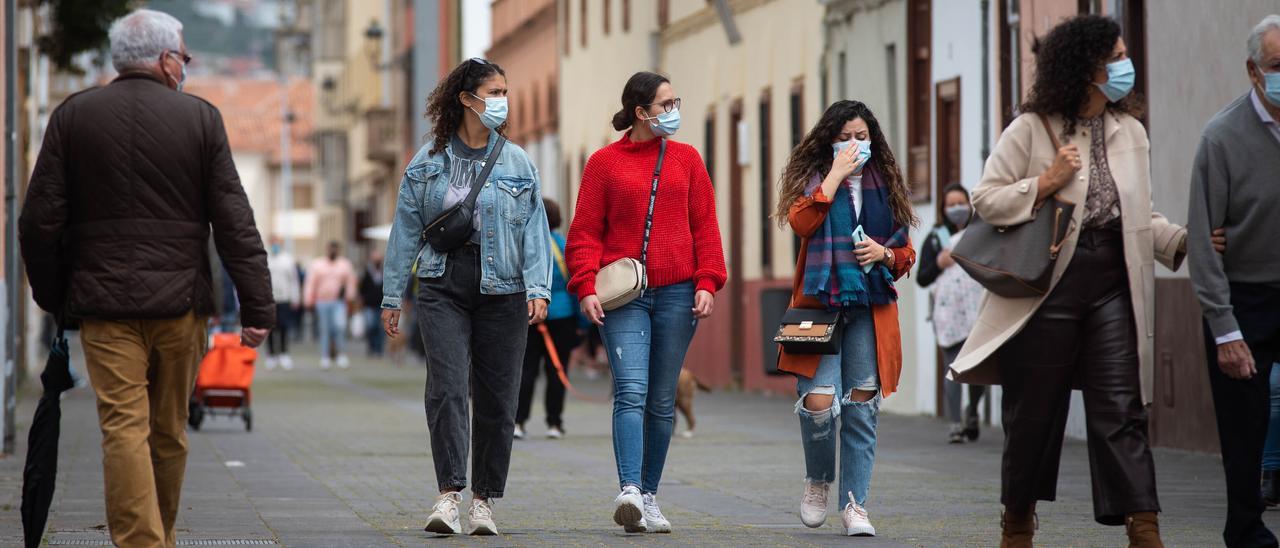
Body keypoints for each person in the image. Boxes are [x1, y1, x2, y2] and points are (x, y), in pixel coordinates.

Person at [18, 9, 274, 547]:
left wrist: (55, 296)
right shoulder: (200, 119)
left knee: (122, 430)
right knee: (168, 431)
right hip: (181, 306)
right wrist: (258, 307)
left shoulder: (73, 116)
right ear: (164, 60)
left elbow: (39, 222)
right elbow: (234, 221)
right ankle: (157, 538)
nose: (186, 65)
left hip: (104, 307)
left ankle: (144, 541)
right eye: (184, 55)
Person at [947, 15, 1187, 547]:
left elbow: (1139, 216)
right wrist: (1044, 182)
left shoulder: (1132, 132)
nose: (1125, 66)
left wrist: (1181, 243)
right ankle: (1017, 521)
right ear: (1086, 67)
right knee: (1034, 408)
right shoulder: (1032, 128)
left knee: (1120, 407)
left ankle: (1143, 527)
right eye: (1115, 57)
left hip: (1113, 281)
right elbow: (985, 199)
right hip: (1049, 282)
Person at [380, 57, 551, 536]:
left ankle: (484, 502)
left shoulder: (517, 160)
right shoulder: (428, 161)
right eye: (493, 92)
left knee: (499, 398)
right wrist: (393, 295)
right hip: (441, 283)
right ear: (466, 99)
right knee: (447, 389)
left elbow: (535, 231)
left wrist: (539, 288)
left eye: (503, 92)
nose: (502, 101)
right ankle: (449, 496)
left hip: (505, 288)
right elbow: (406, 231)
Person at [566, 71, 726, 534]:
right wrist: (585, 285)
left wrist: (707, 281)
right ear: (641, 112)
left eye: (677, 101)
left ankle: (650, 496)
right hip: (625, 296)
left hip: (679, 292)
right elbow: (584, 232)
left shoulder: (687, 160)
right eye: (666, 104)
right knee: (631, 391)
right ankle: (630, 490)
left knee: (661, 399)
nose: (674, 111)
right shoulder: (603, 164)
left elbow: (706, 227)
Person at [774, 100, 917, 537]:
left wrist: (885, 254)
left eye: (861, 137)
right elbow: (800, 223)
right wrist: (835, 176)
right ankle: (818, 480)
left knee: (861, 406)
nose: (855, 145)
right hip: (818, 306)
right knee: (818, 402)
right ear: (829, 141)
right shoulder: (814, 180)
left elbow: (905, 251)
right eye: (845, 138)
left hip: (870, 309)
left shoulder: (886, 183)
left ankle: (855, 503)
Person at [1188, 14, 1280, 548]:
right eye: (1276, 66)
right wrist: (1225, 331)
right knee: (1244, 429)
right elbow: (1203, 241)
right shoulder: (1221, 139)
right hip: (1243, 296)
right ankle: (1245, 529)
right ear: (1252, 71)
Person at [916, 183, 986, 444]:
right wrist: (938, 263)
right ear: (943, 209)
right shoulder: (937, 237)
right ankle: (955, 423)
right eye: (951, 204)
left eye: (961, 203)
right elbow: (922, 277)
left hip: (977, 309)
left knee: (979, 368)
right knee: (952, 367)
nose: (957, 209)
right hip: (948, 313)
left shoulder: (979, 233)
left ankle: (972, 411)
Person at [515, 198, 579, 440]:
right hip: (562, 316)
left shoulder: (524, 244)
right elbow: (574, 286)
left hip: (529, 314)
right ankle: (554, 423)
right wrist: (581, 326)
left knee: (526, 370)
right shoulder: (563, 246)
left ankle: (519, 422)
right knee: (557, 370)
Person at [304, 241, 358, 369]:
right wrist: (308, 300)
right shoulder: (318, 264)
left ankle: (340, 354)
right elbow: (310, 283)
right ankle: (325, 356)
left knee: (339, 327)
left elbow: (351, 282)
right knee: (324, 329)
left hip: (338, 302)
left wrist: (350, 298)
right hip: (322, 301)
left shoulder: (344, 264)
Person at [266, 236, 301, 370]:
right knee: (270, 328)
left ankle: (284, 353)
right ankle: (271, 355)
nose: (275, 245)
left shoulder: (287, 260)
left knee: (284, 327)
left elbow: (294, 281)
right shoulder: (266, 258)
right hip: (270, 299)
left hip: (285, 299)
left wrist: (295, 297)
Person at [359, 249, 386, 358]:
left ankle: (379, 349)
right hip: (369, 305)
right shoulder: (367, 272)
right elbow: (362, 288)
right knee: (371, 326)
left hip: (382, 304)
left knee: (380, 328)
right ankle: (371, 347)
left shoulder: (384, 271)